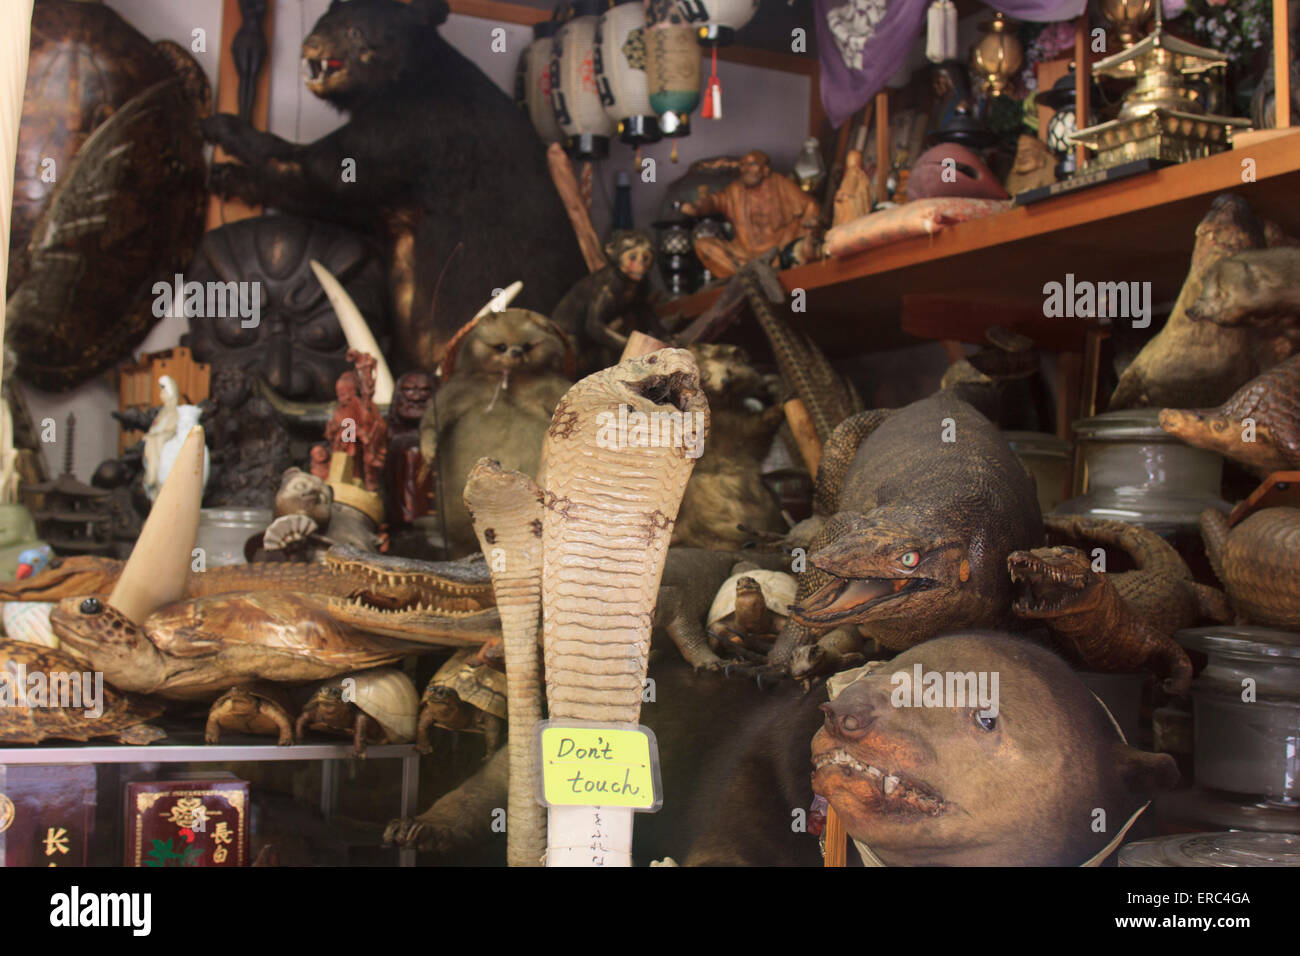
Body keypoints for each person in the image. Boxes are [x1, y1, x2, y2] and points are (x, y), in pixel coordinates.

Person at [679, 150, 821, 278]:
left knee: (805, 237)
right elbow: (714, 201)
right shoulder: (735, 190)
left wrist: (809, 224)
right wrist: (696, 208)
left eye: (752, 164)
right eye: (742, 165)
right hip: (745, 255)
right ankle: (745, 276)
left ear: (765, 169)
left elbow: (810, 205)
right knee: (703, 245)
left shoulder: (780, 183)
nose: (746, 169)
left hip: (780, 250)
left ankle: (766, 271)